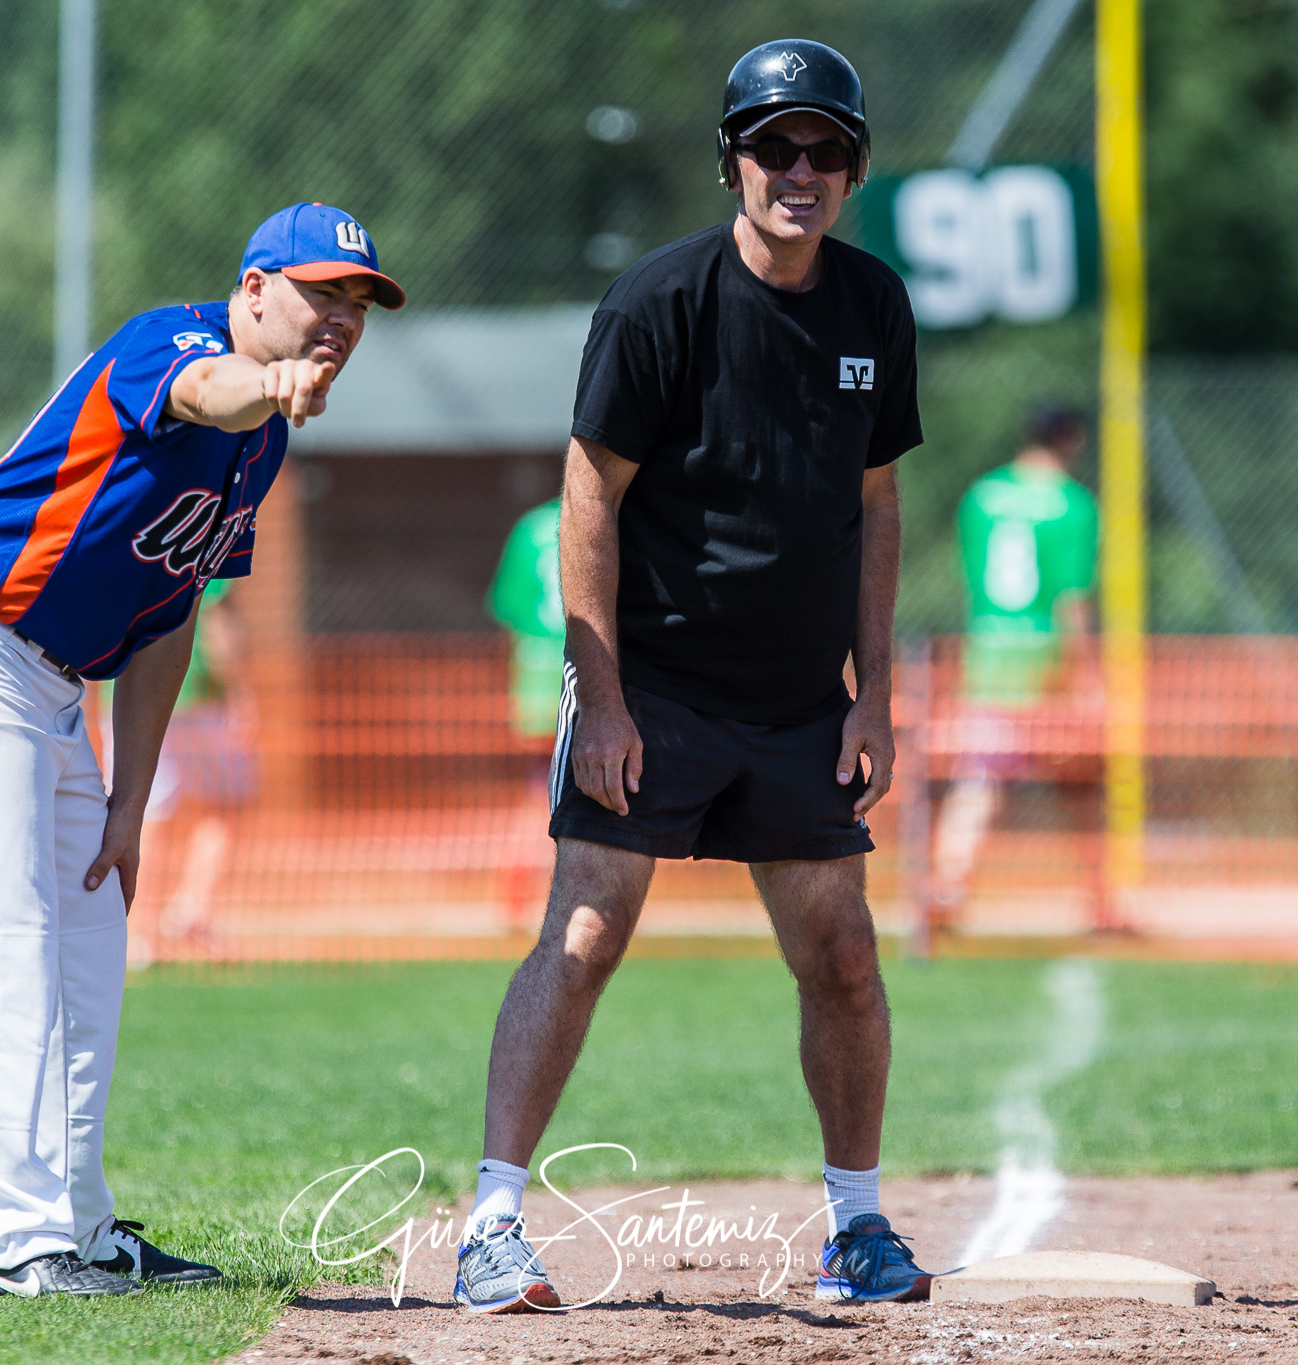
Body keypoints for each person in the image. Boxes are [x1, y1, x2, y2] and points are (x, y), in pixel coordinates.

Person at [456, 40, 930, 1314]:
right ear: (731, 159)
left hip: (795, 702)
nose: (799, 169)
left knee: (839, 949)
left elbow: (876, 508)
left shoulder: (872, 309)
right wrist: (599, 694)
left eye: (825, 148)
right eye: (774, 144)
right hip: (652, 684)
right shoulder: (658, 303)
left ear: (852, 170)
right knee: (588, 927)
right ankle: (490, 1223)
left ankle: (856, 1223)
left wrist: (871, 693)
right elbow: (585, 497)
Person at [0, 202, 401, 1298]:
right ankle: (16, 1242)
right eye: (319, 294)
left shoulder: (264, 441)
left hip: (52, 687)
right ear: (252, 289)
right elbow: (205, 392)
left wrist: (129, 804)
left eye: (356, 303)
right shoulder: (176, 346)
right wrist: (276, 383)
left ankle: (76, 1221)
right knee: (5, 943)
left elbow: (173, 609)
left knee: (85, 949)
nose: (340, 319)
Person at [928, 406, 1101, 926]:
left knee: (980, 778)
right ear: (1070, 439)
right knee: (1085, 778)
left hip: (990, 652)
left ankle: (945, 891)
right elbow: (1072, 600)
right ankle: (1100, 900)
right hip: (1045, 657)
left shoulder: (981, 495)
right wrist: (1087, 675)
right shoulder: (1071, 503)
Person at [130, 578, 259, 962]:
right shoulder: (211, 533)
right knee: (224, 802)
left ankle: (140, 932)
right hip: (199, 698)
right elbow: (219, 624)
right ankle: (191, 909)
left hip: (129, 695)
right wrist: (239, 690)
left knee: (141, 812)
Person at [487, 495, 563, 927]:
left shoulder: (531, 526)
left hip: (535, 681)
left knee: (540, 792)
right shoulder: (611, 514)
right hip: (591, 675)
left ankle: (517, 899)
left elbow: (510, 613)